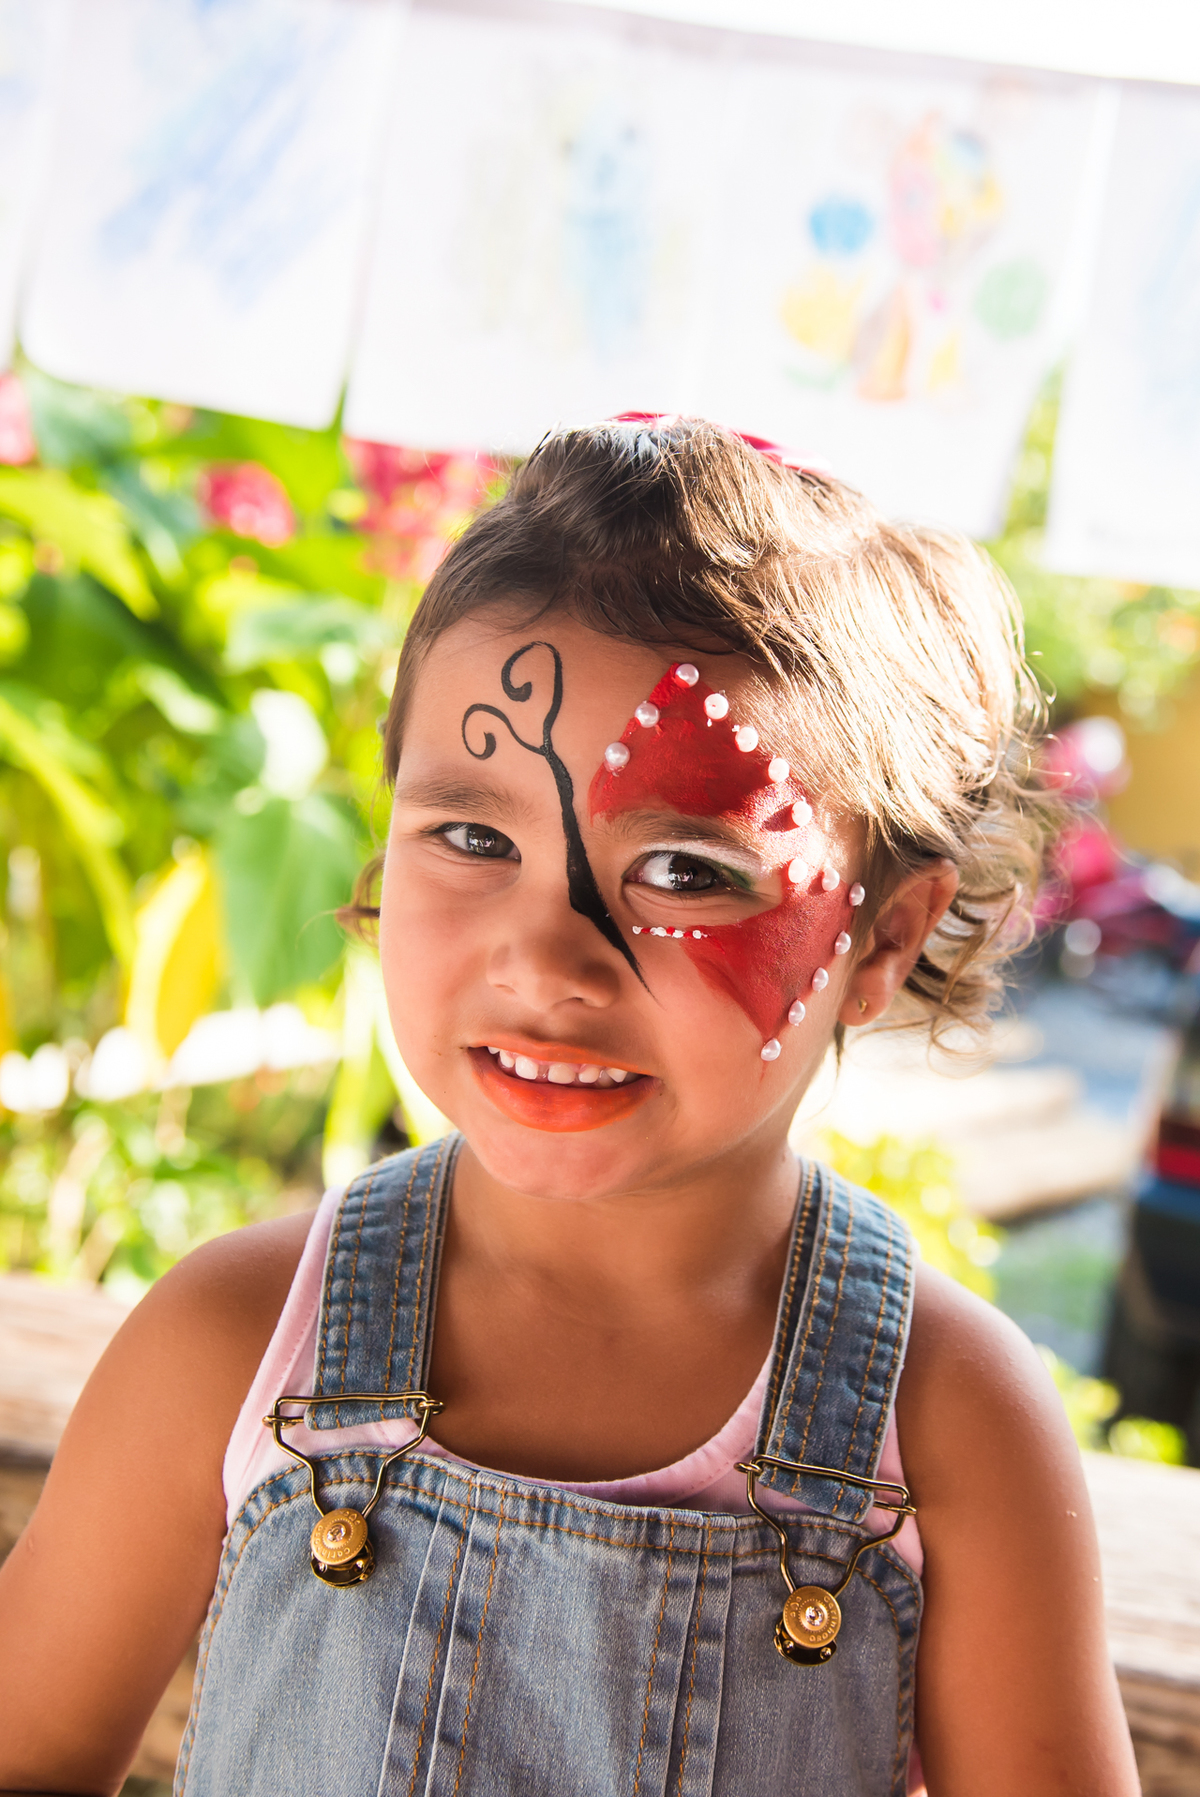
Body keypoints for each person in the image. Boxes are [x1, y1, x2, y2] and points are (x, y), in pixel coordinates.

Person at [0, 418, 1139, 1797]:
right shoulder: (230, 1347)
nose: (545, 959)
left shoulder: (952, 1425)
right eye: (474, 836)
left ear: (882, 940)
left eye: (687, 870)